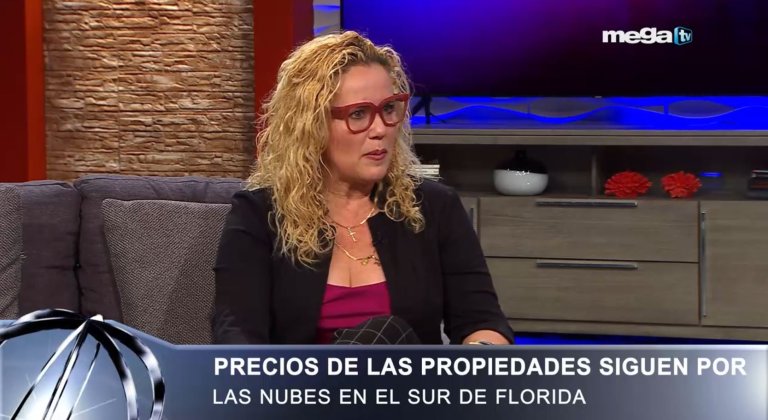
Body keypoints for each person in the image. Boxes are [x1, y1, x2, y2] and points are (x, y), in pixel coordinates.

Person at [213, 31, 513, 345]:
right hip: (301, 378)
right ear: (311, 125)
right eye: (358, 114)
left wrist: (482, 355)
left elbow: (482, 321)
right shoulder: (259, 215)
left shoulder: (435, 207)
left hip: (409, 376)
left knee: (387, 334)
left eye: (389, 109)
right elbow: (237, 336)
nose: (381, 129)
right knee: (378, 336)